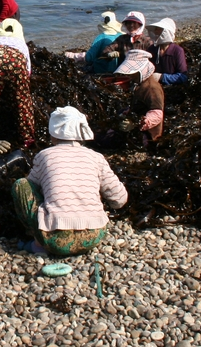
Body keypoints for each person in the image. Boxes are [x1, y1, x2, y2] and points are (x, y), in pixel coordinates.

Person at [12, 106, 128, 256]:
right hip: (93, 236)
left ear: (53, 133)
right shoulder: (96, 157)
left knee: (20, 185)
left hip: (55, 240)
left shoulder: (44, 155)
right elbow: (120, 199)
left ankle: (37, 243)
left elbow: (30, 187)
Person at [0, 19, 35, 148]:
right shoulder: (21, 43)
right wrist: (18, 87)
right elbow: (28, 70)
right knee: (22, 103)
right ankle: (27, 138)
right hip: (17, 61)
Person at [115, 49, 165, 144]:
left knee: (107, 138)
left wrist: (135, 124)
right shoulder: (140, 84)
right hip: (138, 123)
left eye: (133, 73)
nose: (130, 75)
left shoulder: (151, 88)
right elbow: (138, 105)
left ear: (143, 70)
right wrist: (127, 113)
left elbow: (157, 114)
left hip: (148, 133)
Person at [146, 18, 188, 86]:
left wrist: (162, 77)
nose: (155, 32)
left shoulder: (177, 51)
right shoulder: (152, 49)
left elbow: (183, 77)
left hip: (172, 88)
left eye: (159, 29)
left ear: (167, 32)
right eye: (155, 29)